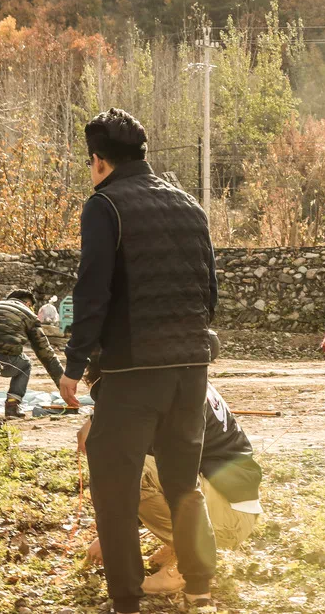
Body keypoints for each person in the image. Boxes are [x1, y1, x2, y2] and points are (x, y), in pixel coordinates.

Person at [58, 108, 220, 614]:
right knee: (183, 483)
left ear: (99, 160)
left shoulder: (105, 205)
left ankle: (126, 599)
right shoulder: (189, 204)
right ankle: (199, 587)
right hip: (190, 369)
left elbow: (93, 293)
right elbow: (209, 290)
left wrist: (73, 363)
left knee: (115, 486)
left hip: (131, 371)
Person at [78, 333, 262, 596]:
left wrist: (112, 538)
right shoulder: (181, 381)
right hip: (229, 505)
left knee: (125, 467)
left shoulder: (158, 392)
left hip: (229, 515)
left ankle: (186, 561)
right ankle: (180, 545)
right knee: (134, 465)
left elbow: (140, 476)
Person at [0, 289, 65, 417]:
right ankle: (12, 405)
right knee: (26, 364)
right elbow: (45, 353)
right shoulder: (28, 314)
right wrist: (63, 385)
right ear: (28, 304)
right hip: (5, 360)